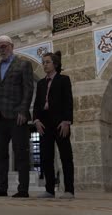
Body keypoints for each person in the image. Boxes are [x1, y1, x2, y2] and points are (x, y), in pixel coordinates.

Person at [0, 35, 34, 198]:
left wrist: (23, 110)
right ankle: (2, 188)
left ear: (12, 46)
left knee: (21, 153)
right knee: (0, 154)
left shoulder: (23, 64)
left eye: (4, 46)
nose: (1, 50)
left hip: (16, 116)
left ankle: (23, 189)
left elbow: (28, 90)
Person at [33, 51, 75, 199]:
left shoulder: (64, 80)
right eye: (43, 62)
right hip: (44, 123)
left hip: (60, 122)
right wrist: (36, 120)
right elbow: (37, 104)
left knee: (65, 157)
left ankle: (69, 190)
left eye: (47, 62)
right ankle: (49, 190)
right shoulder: (40, 83)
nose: (44, 64)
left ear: (55, 64)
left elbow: (68, 101)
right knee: (45, 157)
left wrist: (66, 121)